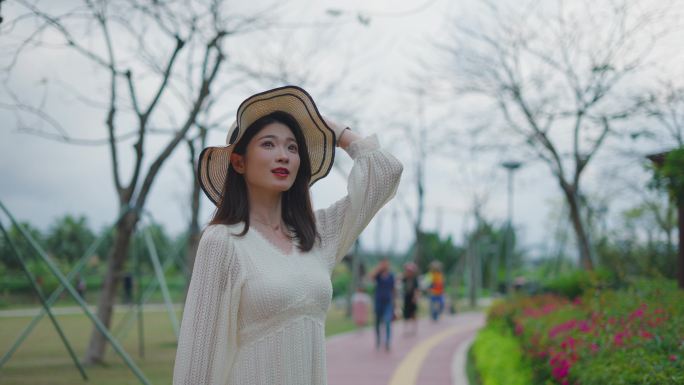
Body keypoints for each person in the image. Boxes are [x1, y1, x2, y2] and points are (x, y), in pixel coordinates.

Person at [172, 86, 403, 385]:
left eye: (292, 147)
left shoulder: (317, 236)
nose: (283, 156)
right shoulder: (223, 242)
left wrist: (325, 126)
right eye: (268, 144)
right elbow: (198, 363)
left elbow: (385, 173)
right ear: (239, 162)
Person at [369, 258, 395, 351]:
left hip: (388, 302)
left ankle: (387, 341)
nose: (385, 265)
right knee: (377, 322)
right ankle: (378, 340)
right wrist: (378, 269)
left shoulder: (391, 276)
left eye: (386, 263)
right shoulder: (378, 275)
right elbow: (371, 278)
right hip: (378, 301)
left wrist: (395, 303)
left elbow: (393, 290)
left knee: (388, 321)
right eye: (382, 263)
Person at [401, 262, 419, 335]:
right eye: (408, 271)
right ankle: (406, 328)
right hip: (406, 298)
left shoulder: (415, 279)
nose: (409, 272)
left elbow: (417, 290)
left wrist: (415, 297)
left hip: (412, 298)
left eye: (410, 271)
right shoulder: (405, 278)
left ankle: (414, 328)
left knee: (413, 313)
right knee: (405, 314)